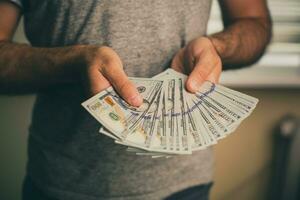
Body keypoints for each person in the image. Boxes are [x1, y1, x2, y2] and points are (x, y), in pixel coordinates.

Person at [0, 0, 271, 199]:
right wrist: (71, 63)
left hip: (183, 185)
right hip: (59, 182)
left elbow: (254, 22)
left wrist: (217, 47)